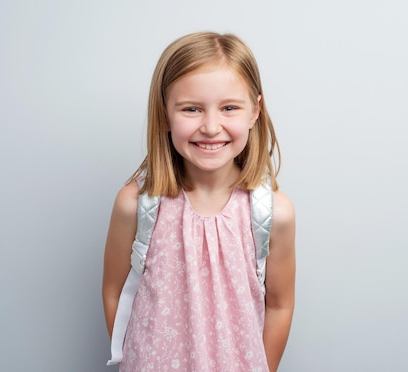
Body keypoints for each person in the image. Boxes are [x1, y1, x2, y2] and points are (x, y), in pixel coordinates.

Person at [102, 31, 295, 371]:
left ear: (254, 112)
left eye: (229, 108)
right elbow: (114, 292)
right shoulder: (136, 205)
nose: (210, 126)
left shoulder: (272, 213)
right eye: (191, 108)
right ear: (164, 114)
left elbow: (279, 305)